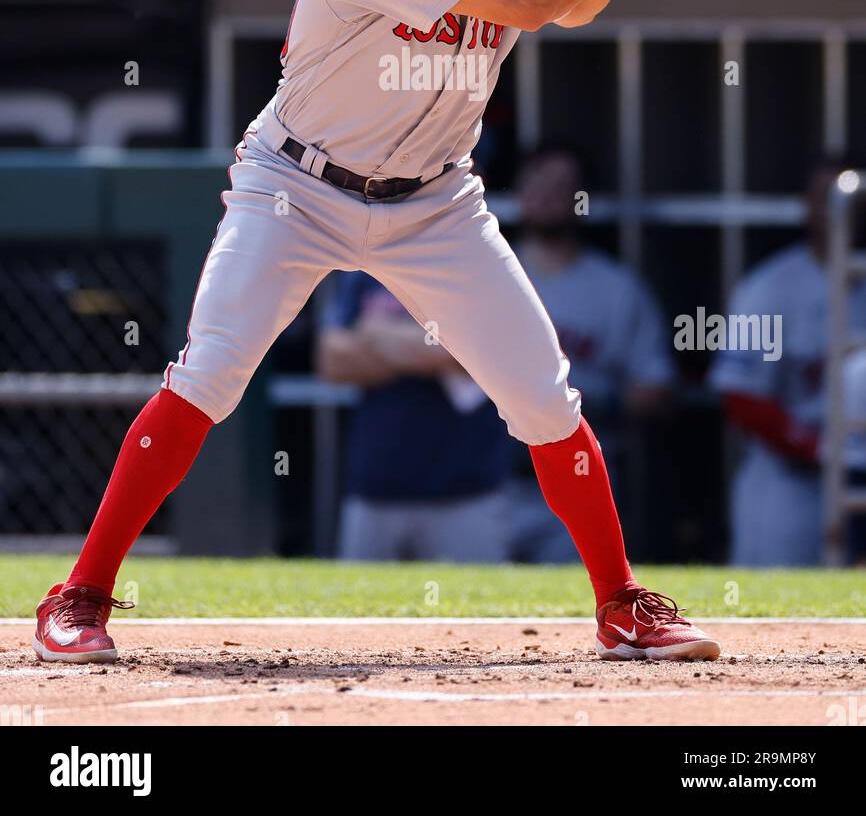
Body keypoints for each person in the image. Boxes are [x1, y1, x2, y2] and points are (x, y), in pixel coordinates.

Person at [32, 0, 717, 666]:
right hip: (298, 182)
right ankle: (80, 593)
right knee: (211, 375)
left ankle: (622, 603)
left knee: (542, 396)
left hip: (435, 197)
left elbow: (574, 3)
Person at [506, 144, 676, 563]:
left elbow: (657, 391)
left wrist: (586, 400)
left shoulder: (615, 288)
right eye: (536, 183)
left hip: (581, 469)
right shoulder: (490, 276)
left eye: (562, 186)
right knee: (473, 612)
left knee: (576, 606)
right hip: (491, 477)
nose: (547, 195)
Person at [710, 158, 866, 565]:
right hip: (790, 478)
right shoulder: (770, 287)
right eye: (826, 199)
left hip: (859, 466)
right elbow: (738, 397)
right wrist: (817, 449)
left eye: (852, 201)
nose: (840, 212)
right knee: (772, 603)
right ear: (806, 206)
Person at [316, 271, 511, 562]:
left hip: (466, 489)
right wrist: (433, 355)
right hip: (375, 487)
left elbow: (484, 353)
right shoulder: (363, 267)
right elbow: (333, 361)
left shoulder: (476, 257)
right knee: (361, 606)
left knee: (475, 607)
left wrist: (377, 335)